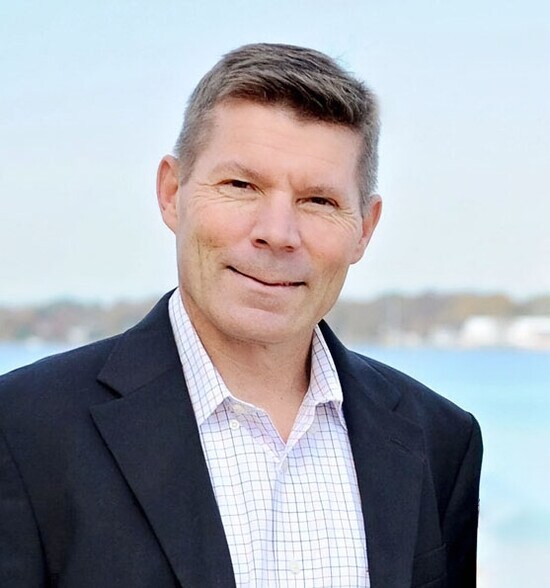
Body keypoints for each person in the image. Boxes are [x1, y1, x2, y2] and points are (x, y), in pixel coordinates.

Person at [0, 43, 482, 588]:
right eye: (241, 186)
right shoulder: (22, 430)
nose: (277, 233)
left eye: (318, 201)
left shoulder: (440, 439)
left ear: (364, 228)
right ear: (172, 192)